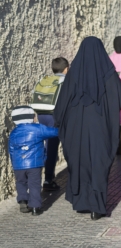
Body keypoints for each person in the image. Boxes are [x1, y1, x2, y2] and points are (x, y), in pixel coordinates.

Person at [54, 36, 121, 221]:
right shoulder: (108, 74)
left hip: (76, 130)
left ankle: (82, 203)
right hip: (99, 128)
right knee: (98, 164)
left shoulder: (73, 74)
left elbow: (61, 105)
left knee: (79, 163)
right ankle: (96, 207)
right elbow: (120, 96)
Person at [9, 106, 58, 216]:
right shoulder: (38, 128)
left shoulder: (13, 132)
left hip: (18, 164)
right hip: (34, 164)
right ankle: (35, 207)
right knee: (34, 184)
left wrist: (14, 163)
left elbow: (11, 150)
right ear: (31, 117)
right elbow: (54, 132)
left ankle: (22, 200)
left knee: (20, 182)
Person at [37, 57, 69, 192]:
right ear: (66, 69)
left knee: (46, 146)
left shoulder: (47, 80)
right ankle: (48, 179)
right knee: (54, 147)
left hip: (41, 114)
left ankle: (40, 176)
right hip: (54, 117)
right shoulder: (65, 81)